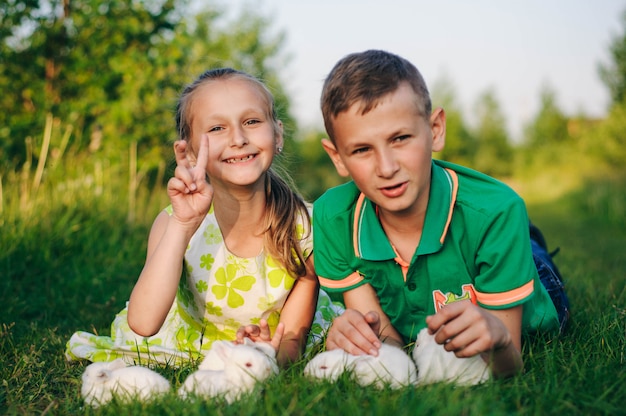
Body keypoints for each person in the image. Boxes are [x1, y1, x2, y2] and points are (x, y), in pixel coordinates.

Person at [313, 50, 569, 378]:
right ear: (337, 157)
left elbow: (510, 367)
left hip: (533, 285)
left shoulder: (498, 211)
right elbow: (390, 348)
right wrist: (361, 340)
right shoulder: (332, 217)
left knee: (530, 256)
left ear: (435, 130)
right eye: (362, 150)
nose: (387, 168)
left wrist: (500, 338)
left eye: (400, 138)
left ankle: (528, 245)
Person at [65, 68, 340, 368]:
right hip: (189, 340)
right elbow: (143, 324)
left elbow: (292, 342)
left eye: (251, 121)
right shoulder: (175, 222)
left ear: (277, 135)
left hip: (275, 342)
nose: (238, 138)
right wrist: (183, 225)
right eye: (217, 128)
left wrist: (269, 356)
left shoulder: (306, 230)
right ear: (189, 152)